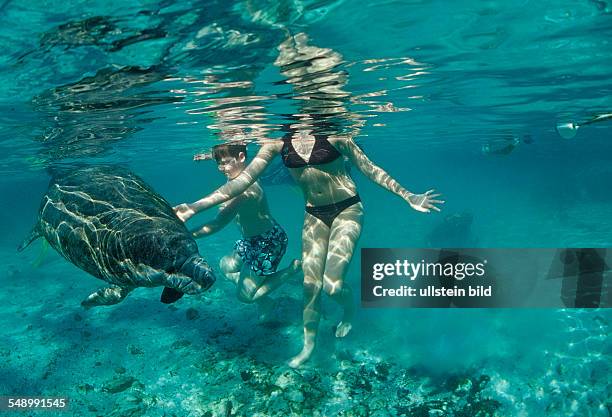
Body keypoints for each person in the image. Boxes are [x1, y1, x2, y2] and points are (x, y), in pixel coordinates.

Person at [174, 132, 443, 367]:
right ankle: (309, 346)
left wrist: (408, 195)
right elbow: (240, 182)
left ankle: (349, 312)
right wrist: (194, 207)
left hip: (347, 208)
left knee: (331, 285)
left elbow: (370, 168)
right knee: (310, 285)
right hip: (314, 213)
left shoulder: (336, 134)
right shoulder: (276, 143)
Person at [186, 143, 301, 318]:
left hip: (268, 244)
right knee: (225, 266)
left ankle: (292, 270)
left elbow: (218, 223)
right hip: (251, 240)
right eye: (219, 163)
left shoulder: (244, 191)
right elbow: (231, 158)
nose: (222, 168)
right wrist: (210, 156)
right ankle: (264, 300)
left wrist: (186, 235)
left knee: (244, 297)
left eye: (226, 162)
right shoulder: (243, 173)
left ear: (241, 158)